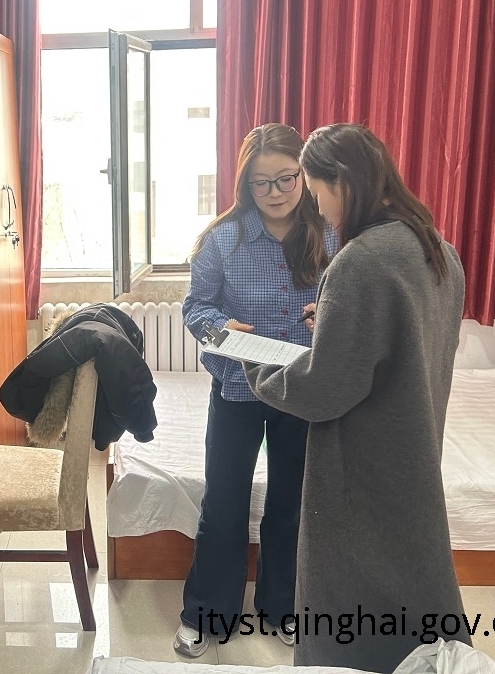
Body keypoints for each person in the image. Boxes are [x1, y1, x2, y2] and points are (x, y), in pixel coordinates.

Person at [242, 123, 470, 673]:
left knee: (346, 606)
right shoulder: (438, 249)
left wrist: (255, 363)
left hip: (361, 462)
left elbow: (324, 390)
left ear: (341, 181)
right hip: (413, 448)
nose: (318, 209)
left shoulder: (361, 261)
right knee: (412, 586)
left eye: (315, 191)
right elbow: (405, 342)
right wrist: (334, 321)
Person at [175, 124, 335, 658]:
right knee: (223, 503)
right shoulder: (223, 239)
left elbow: (348, 303)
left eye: (286, 179)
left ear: (303, 175)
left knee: (291, 505)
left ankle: (282, 608)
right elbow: (196, 308)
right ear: (245, 184)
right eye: (261, 183)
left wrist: (325, 316)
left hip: (301, 389)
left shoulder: (331, 235)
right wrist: (220, 329)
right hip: (237, 387)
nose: (275, 192)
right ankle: (207, 614)